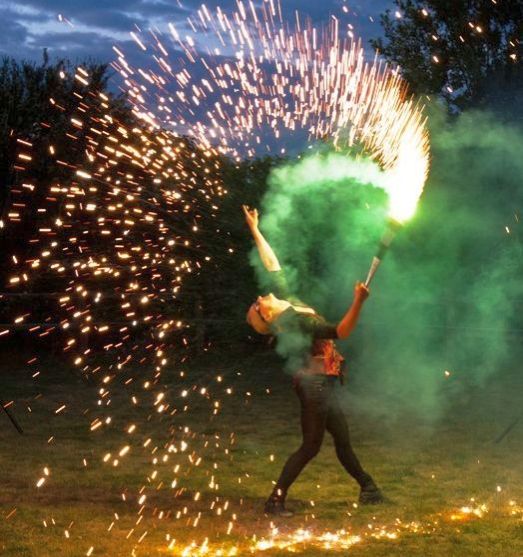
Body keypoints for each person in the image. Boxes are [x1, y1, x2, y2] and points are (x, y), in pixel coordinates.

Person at [243, 205, 384, 517]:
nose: (261, 296)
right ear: (266, 315)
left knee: (343, 440)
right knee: (311, 446)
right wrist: (358, 302)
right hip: (314, 386)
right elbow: (341, 331)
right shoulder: (294, 322)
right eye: (257, 304)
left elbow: (272, 263)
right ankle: (275, 500)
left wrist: (255, 228)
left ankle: (369, 488)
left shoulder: (288, 303)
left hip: (324, 382)